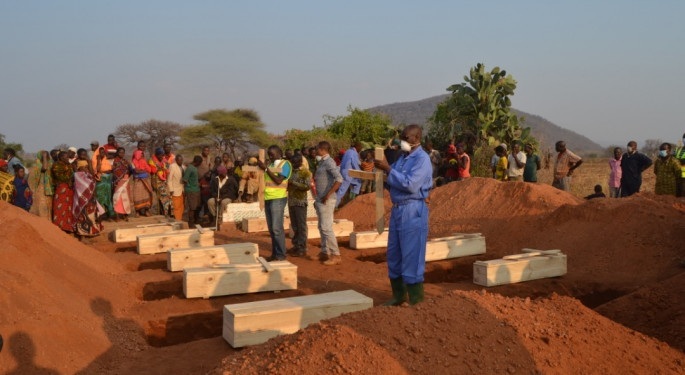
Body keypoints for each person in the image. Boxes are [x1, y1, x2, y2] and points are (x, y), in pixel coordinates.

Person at [374, 124, 433, 305]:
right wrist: (380, 171)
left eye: (406, 138)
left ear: (417, 138)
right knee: (394, 253)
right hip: (398, 209)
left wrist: (388, 169)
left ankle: (416, 300)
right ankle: (398, 296)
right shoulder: (402, 158)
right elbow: (393, 180)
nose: (403, 141)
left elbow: (411, 185)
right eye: (402, 137)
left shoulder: (422, 159)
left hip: (412, 209)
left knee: (412, 254)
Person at [257, 145, 292, 261]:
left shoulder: (285, 164)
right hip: (268, 198)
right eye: (269, 154)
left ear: (279, 153)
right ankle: (275, 254)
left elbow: (278, 181)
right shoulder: (271, 165)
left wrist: (266, 169)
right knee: (272, 229)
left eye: (272, 154)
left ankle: (281, 255)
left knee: (277, 228)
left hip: (278, 198)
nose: (270, 157)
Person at [313, 141, 343, 265]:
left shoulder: (329, 162)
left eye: (316, 149)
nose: (315, 152)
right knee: (321, 226)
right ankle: (325, 252)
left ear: (322, 149)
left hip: (327, 199)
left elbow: (339, 179)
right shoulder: (322, 162)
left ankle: (336, 254)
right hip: (321, 199)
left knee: (326, 227)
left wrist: (328, 194)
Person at [73, 148, 102, 238]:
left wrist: (88, 164)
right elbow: (74, 173)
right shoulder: (75, 162)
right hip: (81, 190)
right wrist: (81, 170)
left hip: (89, 189)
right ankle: (82, 231)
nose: (84, 156)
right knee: (83, 210)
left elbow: (92, 173)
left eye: (85, 154)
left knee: (91, 210)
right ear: (78, 154)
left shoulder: (88, 161)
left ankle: (93, 230)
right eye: (82, 154)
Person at [287, 154, 312, 257]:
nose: (294, 164)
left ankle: (302, 247)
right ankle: (296, 245)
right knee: (294, 226)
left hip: (301, 202)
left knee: (301, 226)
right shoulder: (290, 172)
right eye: (292, 162)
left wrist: (294, 183)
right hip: (291, 201)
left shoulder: (306, 172)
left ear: (301, 162)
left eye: (296, 162)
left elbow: (307, 186)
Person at [51, 151, 75, 233]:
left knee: (68, 207)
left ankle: (67, 226)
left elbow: (72, 174)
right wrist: (69, 180)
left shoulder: (68, 165)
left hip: (69, 188)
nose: (68, 158)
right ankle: (59, 226)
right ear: (61, 158)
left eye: (68, 157)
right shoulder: (56, 165)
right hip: (61, 188)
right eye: (66, 157)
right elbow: (59, 176)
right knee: (60, 207)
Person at [336, 141, 362, 208]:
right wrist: (360, 173)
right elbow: (355, 164)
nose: (361, 149)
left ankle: (352, 200)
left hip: (344, 171)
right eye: (360, 147)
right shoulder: (353, 153)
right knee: (342, 190)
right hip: (348, 173)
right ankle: (335, 205)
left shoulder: (348, 151)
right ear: (357, 147)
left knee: (357, 183)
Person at [29, 150, 54, 220]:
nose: (46, 157)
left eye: (47, 155)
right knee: (41, 208)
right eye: (44, 155)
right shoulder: (37, 165)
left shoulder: (50, 164)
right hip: (40, 190)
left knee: (48, 208)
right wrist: (44, 157)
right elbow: (44, 168)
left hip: (49, 190)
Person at [93, 146, 114, 221]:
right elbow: (97, 170)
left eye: (103, 152)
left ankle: (109, 215)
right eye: (101, 152)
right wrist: (99, 159)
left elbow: (111, 168)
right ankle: (100, 215)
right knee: (100, 198)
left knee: (108, 197)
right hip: (101, 180)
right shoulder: (95, 160)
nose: (103, 153)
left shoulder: (106, 159)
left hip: (108, 180)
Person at [149, 148, 172, 216]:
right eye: (160, 155)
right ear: (157, 155)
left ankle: (165, 212)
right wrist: (162, 169)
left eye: (163, 155)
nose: (162, 157)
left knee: (166, 196)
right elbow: (153, 170)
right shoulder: (152, 160)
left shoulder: (163, 160)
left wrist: (162, 169)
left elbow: (166, 169)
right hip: (156, 181)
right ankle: (161, 213)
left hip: (163, 180)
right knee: (160, 197)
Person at [111, 147, 132, 221]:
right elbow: (112, 171)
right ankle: (116, 215)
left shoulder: (126, 161)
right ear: (117, 153)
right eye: (120, 152)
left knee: (125, 199)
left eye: (123, 152)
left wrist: (127, 176)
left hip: (125, 182)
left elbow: (130, 170)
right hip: (117, 182)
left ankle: (125, 215)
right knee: (117, 199)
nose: (122, 154)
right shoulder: (114, 161)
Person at [131, 149, 153, 217]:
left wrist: (141, 170)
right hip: (137, 181)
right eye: (141, 154)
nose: (142, 155)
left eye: (143, 154)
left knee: (147, 195)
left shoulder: (144, 161)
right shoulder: (133, 162)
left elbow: (149, 170)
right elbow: (135, 171)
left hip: (145, 181)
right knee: (137, 196)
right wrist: (143, 171)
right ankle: (137, 211)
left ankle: (146, 210)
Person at [183, 155, 202, 228]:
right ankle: (191, 223)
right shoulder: (190, 168)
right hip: (191, 191)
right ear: (198, 162)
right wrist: (188, 187)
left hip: (195, 190)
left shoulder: (193, 168)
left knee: (196, 207)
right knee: (192, 208)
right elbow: (185, 179)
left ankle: (194, 221)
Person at [167, 154, 185, 221]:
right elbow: (169, 179)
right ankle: (177, 220)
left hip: (182, 189)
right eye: (179, 160)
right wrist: (171, 189)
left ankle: (180, 218)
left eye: (181, 160)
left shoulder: (183, 167)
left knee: (181, 206)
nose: (180, 161)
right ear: (176, 160)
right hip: (175, 189)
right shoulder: (172, 166)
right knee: (176, 206)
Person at [674, 133, 685, 197]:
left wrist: (679, 160)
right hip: (677, 174)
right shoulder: (678, 149)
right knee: (677, 192)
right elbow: (672, 158)